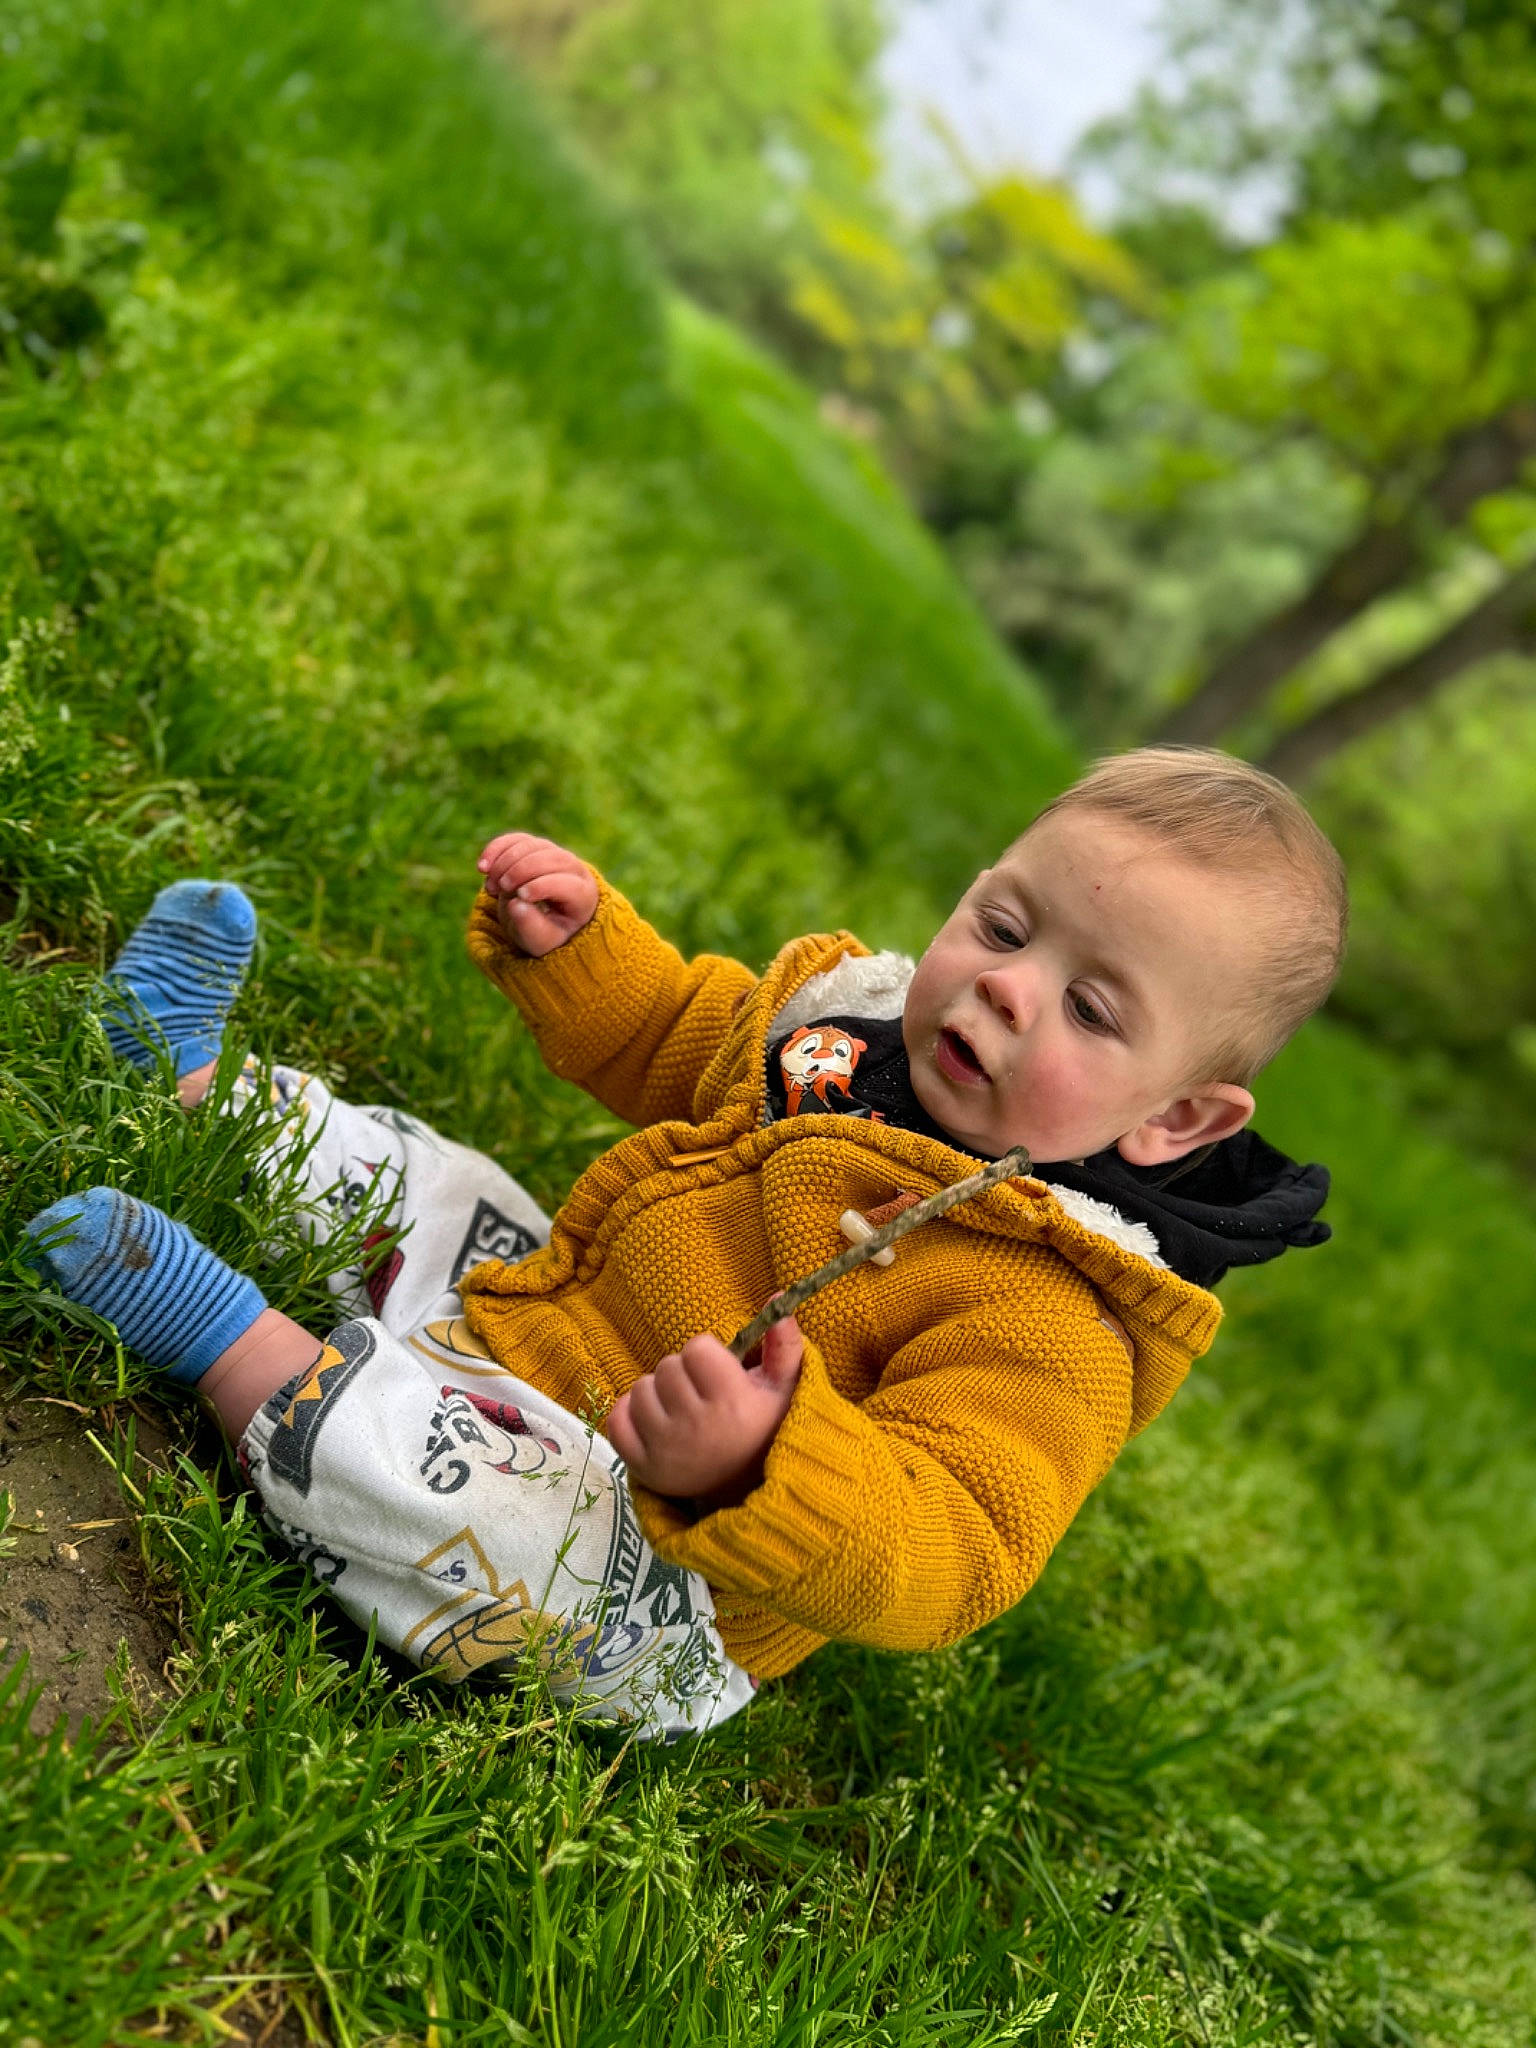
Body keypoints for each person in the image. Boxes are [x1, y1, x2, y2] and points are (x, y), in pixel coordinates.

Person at [22, 748, 1343, 1737]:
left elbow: (955, 1541)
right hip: (539, 1323)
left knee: (495, 1525)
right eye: (1004, 923)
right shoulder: (847, 1034)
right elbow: (684, 1038)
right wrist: (590, 954)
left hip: (646, 1572)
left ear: (1178, 1119)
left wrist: (760, 1465)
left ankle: (232, 1343)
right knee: (441, 1188)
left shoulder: (1055, 1314)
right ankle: (192, 1085)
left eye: (1091, 1005)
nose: (1006, 982)